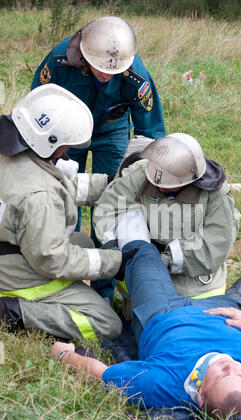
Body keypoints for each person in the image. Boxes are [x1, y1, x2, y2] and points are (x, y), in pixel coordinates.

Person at [50, 224, 241, 419]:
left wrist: (65, 356)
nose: (230, 366)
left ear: (200, 398)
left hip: (163, 313)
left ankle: (114, 251)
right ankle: (236, 298)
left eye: (223, 375)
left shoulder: (164, 385)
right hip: (219, 314)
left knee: (143, 254)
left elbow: (105, 374)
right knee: (233, 306)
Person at [31, 16, 166, 304]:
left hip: (111, 130)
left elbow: (150, 132)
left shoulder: (135, 75)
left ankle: (103, 289)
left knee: (113, 198)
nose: (107, 75)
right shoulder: (57, 62)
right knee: (63, 193)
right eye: (101, 69)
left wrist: (148, 172)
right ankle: (66, 276)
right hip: (67, 131)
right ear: (85, 56)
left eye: (113, 71)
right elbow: (37, 105)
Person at [0, 84, 137, 342]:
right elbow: (52, 260)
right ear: (48, 142)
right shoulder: (39, 196)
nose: (67, 151)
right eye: (65, 145)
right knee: (107, 324)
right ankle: (15, 311)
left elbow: (60, 185)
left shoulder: (15, 153)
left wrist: (114, 186)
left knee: (82, 242)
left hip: (11, 246)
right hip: (16, 274)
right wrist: (115, 263)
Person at [93, 133, 241, 319]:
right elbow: (109, 209)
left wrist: (164, 260)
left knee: (187, 331)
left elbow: (213, 246)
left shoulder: (215, 195)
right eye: (157, 183)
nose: (161, 188)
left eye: (169, 185)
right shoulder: (141, 173)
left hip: (195, 293)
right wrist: (117, 249)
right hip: (140, 291)